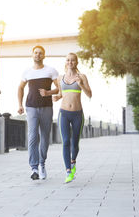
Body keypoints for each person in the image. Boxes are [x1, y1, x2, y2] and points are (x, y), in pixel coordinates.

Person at [18, 45, 59, 180]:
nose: (38, 55)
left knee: (45, 137)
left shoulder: (51, 71)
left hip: (47, 107)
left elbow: (60, 88)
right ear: (32, 55)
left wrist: (48, 92)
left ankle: (42, 164)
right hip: (31, 107)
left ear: (44, 55)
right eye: (35, 53)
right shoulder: (27, 72)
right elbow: (20, 88)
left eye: (40, 53)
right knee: (32, 136)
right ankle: (34, 167)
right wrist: (20, 105)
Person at [53, 53, 92, 183]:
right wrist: (56, 97)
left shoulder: (82, 77)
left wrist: (80, 84)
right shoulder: (60, 78)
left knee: (75, 142)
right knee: (65, 142)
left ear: (77, 62)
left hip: (77, 114)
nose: (70, 62)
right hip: (63, 113)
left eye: (73, 60)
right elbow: (60, 93)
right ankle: (68, 171)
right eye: (68, 60)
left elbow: (89, 94)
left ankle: (73, 161)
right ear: (65, 62)